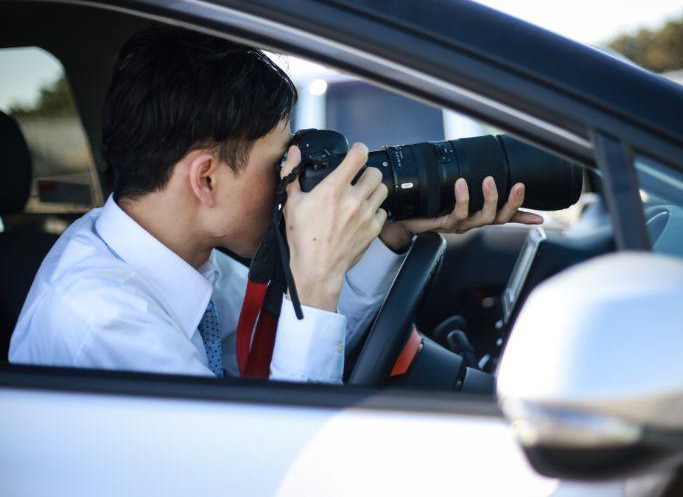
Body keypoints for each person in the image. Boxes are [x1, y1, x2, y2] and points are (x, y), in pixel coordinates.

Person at [9, 27, 540, 383]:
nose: (290, 179)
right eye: (276, 164)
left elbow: (289, 346)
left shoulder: (185, 256)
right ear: (207, 178)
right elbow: (264, 462)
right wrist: (313, 278)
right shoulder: (102, 323)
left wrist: (388, 235)